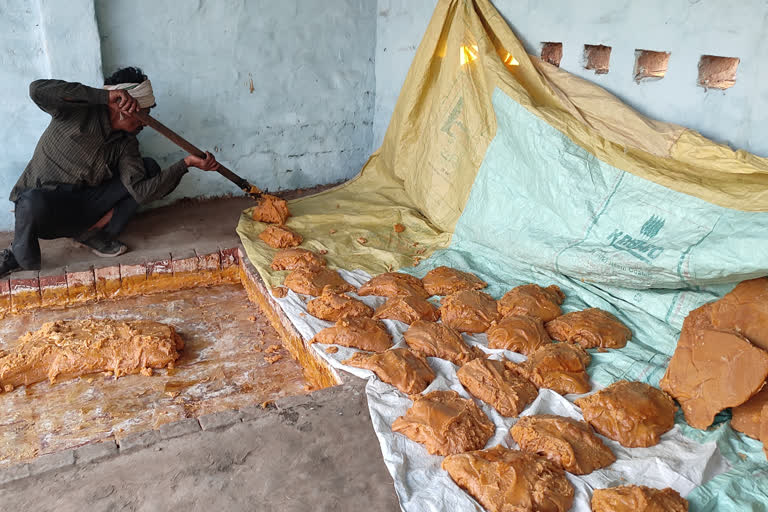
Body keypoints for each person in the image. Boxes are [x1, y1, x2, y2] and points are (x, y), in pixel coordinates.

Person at [0, 67, 221, 277]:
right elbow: (37, 90)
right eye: (146, 112)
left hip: (83, 208)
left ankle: (92, 234)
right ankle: (17, 254)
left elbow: (141, 192)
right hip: (45, 212)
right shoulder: (75, 111)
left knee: (149, 168)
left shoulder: (127, 143)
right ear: (124, 107)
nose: (147, 121)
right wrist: (104, 97)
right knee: (31, 200)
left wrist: (186, 164)